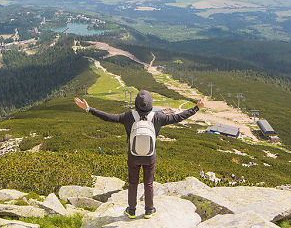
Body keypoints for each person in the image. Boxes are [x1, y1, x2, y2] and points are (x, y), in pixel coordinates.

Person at [74, 90, 205, 219]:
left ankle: (131, 211)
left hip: (133, 155)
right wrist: (197, 107)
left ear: (136, 103)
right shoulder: (158, 117)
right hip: (150, 156)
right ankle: (149, 210)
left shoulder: (128, 116)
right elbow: (179, 117)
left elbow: (108, 117)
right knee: (148, 183)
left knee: (133, 183)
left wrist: (88, 109)